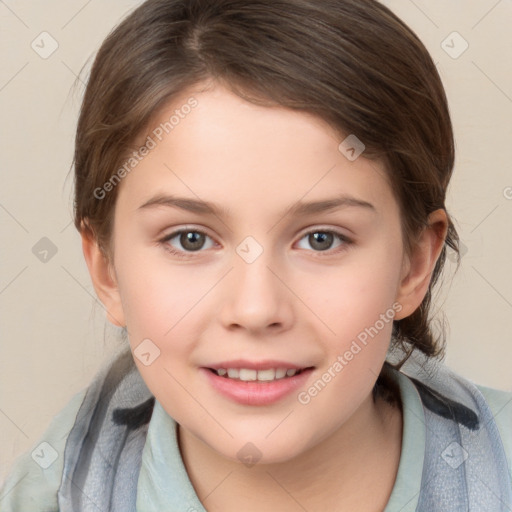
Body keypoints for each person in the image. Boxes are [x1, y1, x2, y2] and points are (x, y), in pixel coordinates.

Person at [1, 0, 511, 510]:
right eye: (190, 239)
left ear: (413, 265)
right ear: (107, 270)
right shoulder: (48, 495)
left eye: (321, 239)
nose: (256, 309)